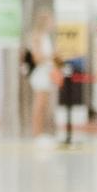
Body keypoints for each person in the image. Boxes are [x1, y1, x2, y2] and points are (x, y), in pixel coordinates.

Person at [25, 9, 59, 139]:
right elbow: (37, 57)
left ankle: (40, 132)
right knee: (39, 104)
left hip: (46, 73)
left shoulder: (46, 37)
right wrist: (51, 56)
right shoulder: (37, 37)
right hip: (40, 74)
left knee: (43, 104)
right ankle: (36, 133)